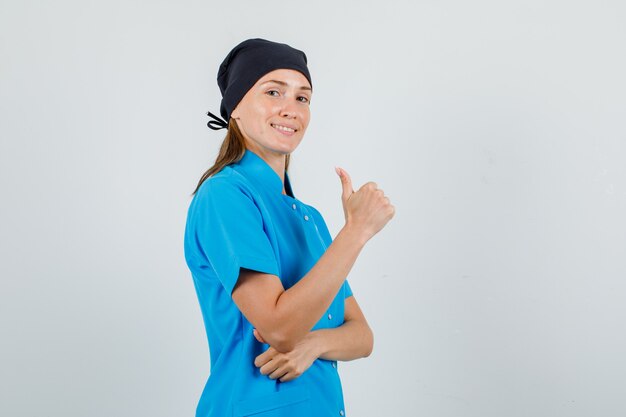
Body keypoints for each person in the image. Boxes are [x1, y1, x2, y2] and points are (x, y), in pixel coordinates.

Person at [184, 38, 395, 417]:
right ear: (235, 108)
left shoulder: (309, 218)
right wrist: (357, 230)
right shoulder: (225, 196)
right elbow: (280, 328)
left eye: (303, 97)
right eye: (273, 91)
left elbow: (361, 336)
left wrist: (313, 344)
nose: (290, 109)